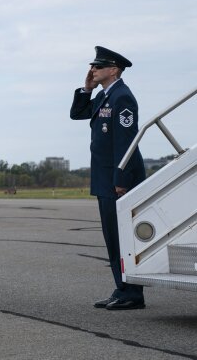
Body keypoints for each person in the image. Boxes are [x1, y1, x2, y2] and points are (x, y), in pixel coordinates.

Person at [70, 46, 146, 310]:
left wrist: (121, 179)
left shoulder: (122, 97)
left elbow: (126, 141)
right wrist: (87, 88)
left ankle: (132, 293)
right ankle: (122, 288)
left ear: (113, 69)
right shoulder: (105, 96)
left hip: (118, 180)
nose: (93, 70)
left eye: (98, 67)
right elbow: (77, 113)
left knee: (121, 237)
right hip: (106, 178)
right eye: (92, 66)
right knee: (112, 237)